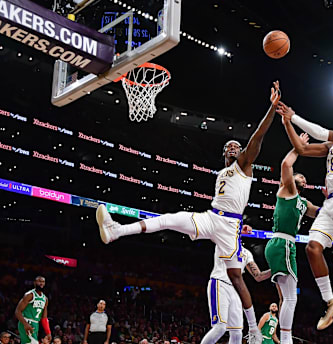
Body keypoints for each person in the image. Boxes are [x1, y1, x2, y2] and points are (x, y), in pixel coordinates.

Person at [96, 81, 281, 344]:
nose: (233, 147)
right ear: (223, 154)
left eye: (236, 146)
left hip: (229, 226)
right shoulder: (222, 173)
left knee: (237, 277)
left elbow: (257, 138)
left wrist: (271, 109)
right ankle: (117, 230)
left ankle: (253, 329)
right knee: (172, 219)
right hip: (213, 217)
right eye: (228, 146)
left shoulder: (244, 166)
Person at [276, 102, 333, 335]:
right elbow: (302, 149)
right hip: (331, 202)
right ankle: (331, 303)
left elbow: (322, 132)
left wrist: (294, 116)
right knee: (312, 248)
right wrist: (286, 123)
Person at [264, 138, 320, 343]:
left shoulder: (303, 202)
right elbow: (286, 164)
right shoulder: (287, 190)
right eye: (300, 177)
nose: (303, 179)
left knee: (287, 297)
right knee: (290, 298)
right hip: (282, 243)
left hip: (285, 245)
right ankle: (286, 339)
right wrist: (299, 147)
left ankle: (285, 338)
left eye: (305, 179)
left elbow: (318, 213)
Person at [201, 245, 271, 344]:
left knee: (237, 332)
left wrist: (276, 269)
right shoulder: (222, 239)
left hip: (236, 290)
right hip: (220, 283)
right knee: (220, 327)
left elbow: (258, 276)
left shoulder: (246, 253)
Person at [15, 276, 51, 344]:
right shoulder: (29, 295)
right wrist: (25, 324)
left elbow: (44, 318)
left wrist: (48, 332)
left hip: (35, 324)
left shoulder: (45, 299)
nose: (41, 283)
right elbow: (17, 311)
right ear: (35, 283)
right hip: (26, 321)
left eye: (43, 282)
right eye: (39, 281)